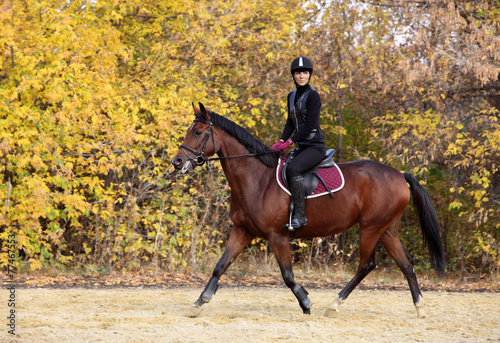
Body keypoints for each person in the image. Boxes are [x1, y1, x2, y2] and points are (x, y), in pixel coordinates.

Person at [270, 56, 326, 230]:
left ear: (309, 75)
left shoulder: (313, 96)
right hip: (301, 147)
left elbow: (309, 125)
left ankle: (300, 217)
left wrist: (290, 142)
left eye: (305, 72)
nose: (301, 76)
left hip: (315, 147)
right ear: (293, 76)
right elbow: (290, 122)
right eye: (298, 73)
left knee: (293, 168)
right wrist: (280, 140)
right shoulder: (291, 96)